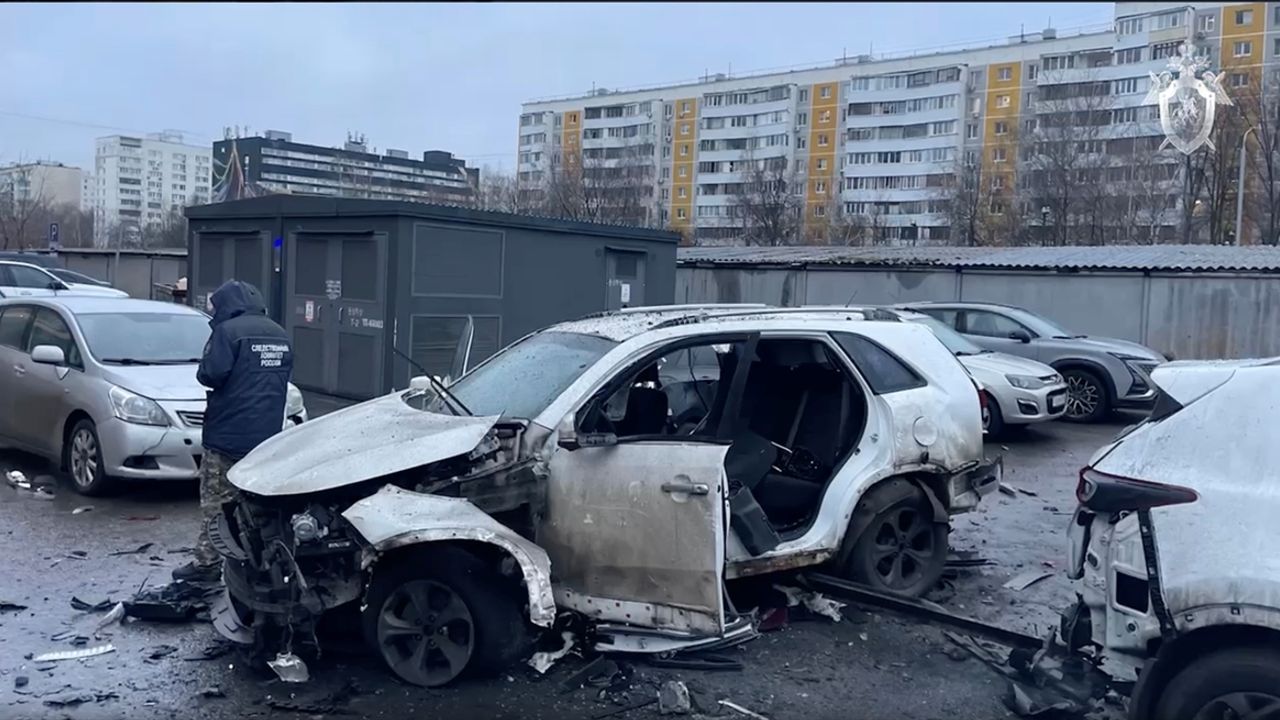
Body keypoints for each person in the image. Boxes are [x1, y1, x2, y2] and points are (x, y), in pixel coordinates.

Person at [173, 279, 293, 582]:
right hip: (265, 437)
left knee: (216, 503)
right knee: (257, 504)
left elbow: (210, 374)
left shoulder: (227, 332)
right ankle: (257, 562)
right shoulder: (279, 333)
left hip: (227, 435)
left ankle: (207, 564)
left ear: (227, 305)